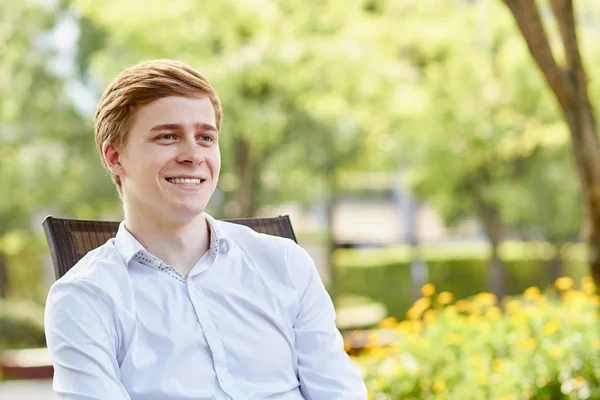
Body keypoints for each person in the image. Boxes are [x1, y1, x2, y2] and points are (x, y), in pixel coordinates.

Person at [44, 59, 367, 400]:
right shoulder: (85, 298)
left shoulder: (286, 264)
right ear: (114, 157)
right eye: (167, 136)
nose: (193, 155)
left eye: (205, 137)